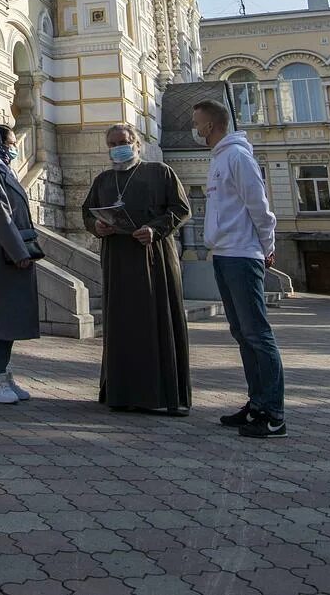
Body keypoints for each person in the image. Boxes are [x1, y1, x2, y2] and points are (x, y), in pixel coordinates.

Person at [81, 122, 192, 415]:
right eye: (113, 144)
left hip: (152, 257)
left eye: (123, 141)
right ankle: (121, 393)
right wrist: (98, 226)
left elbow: (181, 209)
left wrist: (155, 230)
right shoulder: (103, 181)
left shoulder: (160, 173)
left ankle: (163, 395)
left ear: (137, 144)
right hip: (116, 258)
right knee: (121, 325)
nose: (118, 148)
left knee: (155, 321)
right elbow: (87, 212)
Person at [192, 97, 286, 438]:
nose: (194, 129)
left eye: (197, 122)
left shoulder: (237, 156)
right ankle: (257, 403)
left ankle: (274, 413)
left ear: (211, 125)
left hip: (243, 255)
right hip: (224, 253)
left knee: (258, 334)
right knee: (242, 334)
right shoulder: (219, 158)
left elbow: (259, 207)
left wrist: (267, 248)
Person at [0, 123, 41, 404]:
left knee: (10, 317)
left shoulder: (1, 169)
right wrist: (18, 252)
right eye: (10, 143)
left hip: (13, 253)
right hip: (0, 254)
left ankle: (3, 373)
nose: (14, 147)